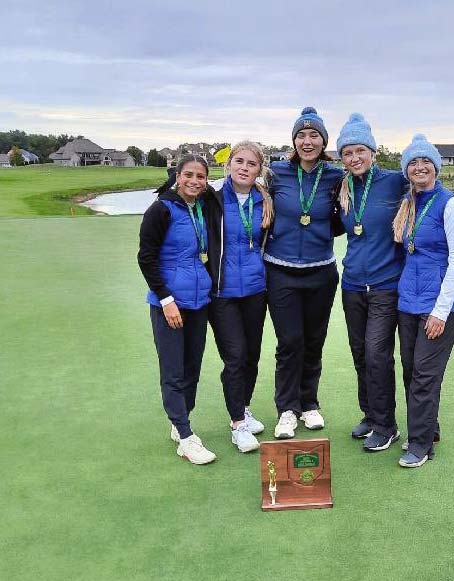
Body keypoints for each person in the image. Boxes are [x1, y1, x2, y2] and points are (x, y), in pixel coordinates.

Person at [333, 113, 454, 452]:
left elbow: (428, 186)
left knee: (377, 353)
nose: (355, 158)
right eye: (348, 153)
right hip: (353, 283)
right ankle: (373, 414)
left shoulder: (395, 180)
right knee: (361, 354)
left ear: (372, 151)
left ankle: (387, 425)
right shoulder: (337, 186)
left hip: (387, 285)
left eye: (360, 151)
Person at [263, 107, 345, 439]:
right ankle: (286, 409)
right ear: (293, 141)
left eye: (314, 136)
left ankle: (309, 404)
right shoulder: (275, 174)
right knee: (290, 341)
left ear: (323, 141)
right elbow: (235, 189)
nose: (307, 141)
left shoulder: (334, 176)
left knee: (313, 341)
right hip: (280, 272)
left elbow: (375, 191)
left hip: (320, 272)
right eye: (301, 135)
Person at [392, 134, 454, 468]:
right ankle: (430, 427)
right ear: (406, 170)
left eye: (425, 162)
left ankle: (420, 444)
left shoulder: (452, 205)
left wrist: (440, 312)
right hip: (409, 300)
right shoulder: (409, 201)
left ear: (436, 167)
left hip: (441, 306)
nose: (419, 167)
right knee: (412, 370)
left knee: (424, 373)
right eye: (413, 162)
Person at [137, 154, 217, 465]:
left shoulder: (202, 205)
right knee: (173, 370)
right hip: (169, 303)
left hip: (199, 301)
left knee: (192, 368)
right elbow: (146, 258)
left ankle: (180, 421)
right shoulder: (160, 210)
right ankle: (185, 436)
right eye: (188, 175)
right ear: (177, 176)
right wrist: (166, 299)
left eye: (201, 176)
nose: (195, 181)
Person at [204, 141, 275, 453]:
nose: (244, 168)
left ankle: (243, 407)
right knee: (234, 357)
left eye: (251, 164)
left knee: (252, 356)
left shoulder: (263, 199)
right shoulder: (213, 197)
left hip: (256, 290)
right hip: (222, 292)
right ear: (229, 164)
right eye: (239, 162)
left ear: (259, 170)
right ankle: (237, 425)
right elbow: (176, 194)